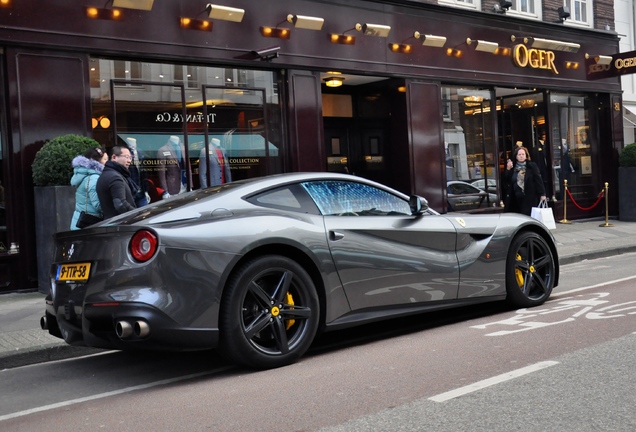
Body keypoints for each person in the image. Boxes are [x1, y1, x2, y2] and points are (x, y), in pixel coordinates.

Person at [70, 146, 108, 230]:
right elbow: (97, 204)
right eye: (105, 159)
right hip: (88, 224)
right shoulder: (94, 177)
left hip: (79, 221)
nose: (107, 162)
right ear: (97, 161)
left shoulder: (82, 174)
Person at [504, 146, 547, 216]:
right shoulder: (513, 167)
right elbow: (506, 180)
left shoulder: (532, 166)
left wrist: (542, 194)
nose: (521, 156)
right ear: (516, 156)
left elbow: (538, 180)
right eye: (519, 154)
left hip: (529, 198)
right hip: (515, 198)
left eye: (523, 154)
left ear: (526, 156)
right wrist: (508, 169)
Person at [96, 146, 137, 219]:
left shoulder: (106, 174)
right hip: (121, 224)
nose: (129, 161)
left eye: (130, 158)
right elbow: (121, 204)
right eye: (126, 157)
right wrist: (137, 214)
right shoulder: (115, 177)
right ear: (114, 157)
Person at [126, 137, 150, 207]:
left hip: (141, 190)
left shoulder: (140, 152)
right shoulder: (124, 153)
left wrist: (146, 191)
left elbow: (144, 173)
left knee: (145, 213)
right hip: (130, 192)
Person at [532, 132, 551, 198]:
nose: (544, 138)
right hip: (541, 168)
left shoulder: (547, 146)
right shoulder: (537, 147)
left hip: (546, 168)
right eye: (543, 136)